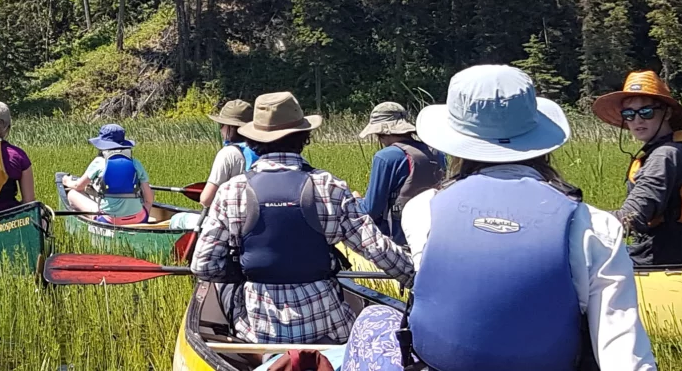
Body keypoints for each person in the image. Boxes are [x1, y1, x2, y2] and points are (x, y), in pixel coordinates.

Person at [338, 64, 654, 371]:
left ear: (457, 140)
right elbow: (624, 354)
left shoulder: (421, 211)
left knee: (372, 319)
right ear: (537, 139)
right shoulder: (597, 227)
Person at [189, 92, 416, 345]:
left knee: (221, 290)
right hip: (328, 327)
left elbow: (203, 266)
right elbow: (377, 249)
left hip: (258, 333)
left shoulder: (231, 191)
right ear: (303, 137)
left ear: (253, 139)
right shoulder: (329, 187)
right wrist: (417, 278)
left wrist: (241, 272)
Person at [594, 70, 682, 266]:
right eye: (629, 114)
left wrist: (579, 221)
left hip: (661, 260)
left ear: (666, 113)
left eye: (646, 112)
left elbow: (631, 218)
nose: (637, 120)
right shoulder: (681, 148)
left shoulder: (664, 155)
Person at [355, 102, 446, 245]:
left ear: (382, 134)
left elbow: (371, 210)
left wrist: (356, 200)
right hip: (437, 237)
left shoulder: (386, 157)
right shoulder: (437, 153)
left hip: (400, 241)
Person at [60, 124, 156, 224]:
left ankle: (88, 221)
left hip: (108, 220)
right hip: (139, 219)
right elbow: (149, 199)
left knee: (72, 194)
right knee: (150, 191)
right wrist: (146, 211)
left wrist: (67, 181)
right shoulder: (135, 163)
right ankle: (142, 219)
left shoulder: (99, 162)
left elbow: (78, 186)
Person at [197, 99, 254, 208]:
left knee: (178, 219)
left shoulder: (227, 154)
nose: (220, 130)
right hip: (256, 218)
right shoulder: (262, 150)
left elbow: (205, 200)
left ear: (231, 127)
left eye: (222, 125)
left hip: (230, 220)